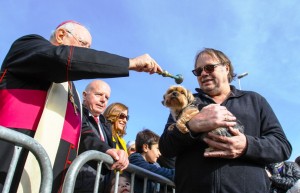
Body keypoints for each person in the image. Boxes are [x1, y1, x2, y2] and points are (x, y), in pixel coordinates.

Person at [0, 20, 162, 193]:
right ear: (61, 35)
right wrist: (129, 63)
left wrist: (107, 149)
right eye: (83, 45)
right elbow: (60, 58)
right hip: (9, 163)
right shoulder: (28, 46)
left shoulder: (72, 94)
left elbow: (82, 131)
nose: (86, 54)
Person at [159, 48, 292, 193]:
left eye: (209, 68)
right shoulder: (186, 105)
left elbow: (282, 146)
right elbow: (166, 147)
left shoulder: (254, 100)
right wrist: (192, 126)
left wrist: (247, 145)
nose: (203, 73)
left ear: (226, 68)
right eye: (198, 71)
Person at [75, 80, 129, 192]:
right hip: (79, 183)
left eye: (107, 97)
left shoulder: (105, 125)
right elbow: (85, 135)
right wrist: (107, 150)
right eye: (98, 94)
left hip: (102, 185)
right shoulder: (76, 113)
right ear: (84, 95)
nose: (103, 100)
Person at [129, 129, 175, 193]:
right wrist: (177, 174)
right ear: (145, 147)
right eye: (158, 149)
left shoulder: (152, 164)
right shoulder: (134, 159)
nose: (160, 153)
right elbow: (154, 170)